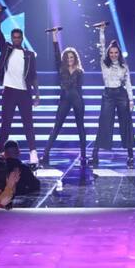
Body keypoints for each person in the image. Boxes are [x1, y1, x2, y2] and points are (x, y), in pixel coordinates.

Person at [0, 5, 40, 164]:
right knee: (5, 124)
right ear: (12, 38)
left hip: (25, 93)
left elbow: (33, 76)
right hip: (9, 92)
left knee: (28, 124)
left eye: (19, 37)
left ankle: (33, 153)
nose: (16, 39)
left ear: (22, 38)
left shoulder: (29, 55)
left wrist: (37, 94)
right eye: (14, 37)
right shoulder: (6, 49)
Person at [91, 23, 135, 167]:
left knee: (126, 124)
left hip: (121, 95)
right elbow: (102, 47)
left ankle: (130, 156)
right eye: (111, 53)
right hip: (108, 95)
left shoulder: (124, 66)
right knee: (103, 123)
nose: (113, 55)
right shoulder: (104, 63)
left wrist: (131, 100)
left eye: (116, 53)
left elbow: (128, 83)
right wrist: (102, 32)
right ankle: (95, 154)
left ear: (119, 53)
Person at [41, 28, 87, 166]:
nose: (70, 59)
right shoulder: (61, 68)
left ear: (75, 58)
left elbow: (79, 88)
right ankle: (46, 154)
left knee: (80, 127)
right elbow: (56, 52)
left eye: (72, 57)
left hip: (77, 99)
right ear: (64, 59)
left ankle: (83, 155)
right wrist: (54, 36)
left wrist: (81, 102)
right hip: (65, 99)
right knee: (57, 126)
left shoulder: (79, 71)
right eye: (67, 57)